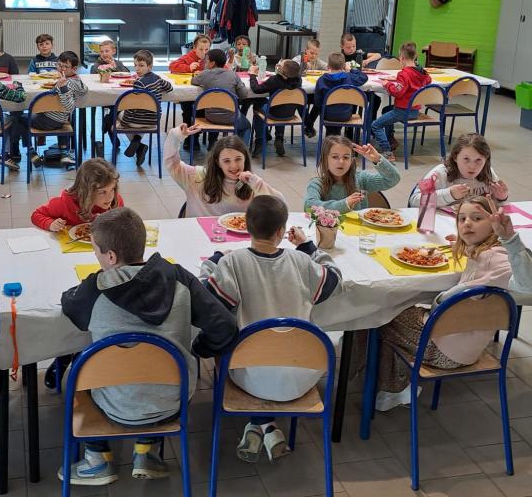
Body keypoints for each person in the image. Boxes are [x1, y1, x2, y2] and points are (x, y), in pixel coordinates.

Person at [58, 207, 238, 485]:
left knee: (75, 371)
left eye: (96, 251)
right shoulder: (179, 278)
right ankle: (147, 451)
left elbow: (69, 304)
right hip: (174, 400)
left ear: (110, 257)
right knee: (162, 364)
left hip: (114, 405)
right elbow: (225, 326)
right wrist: (197, 351)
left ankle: (97, 458)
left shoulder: (96, 288)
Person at [200, 195, 342, 462]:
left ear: (246, 227)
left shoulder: (233, 263)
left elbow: (207, 296)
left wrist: (214, 259)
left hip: (250, 377)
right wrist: (308, 247)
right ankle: (265, 426)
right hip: (303, 375)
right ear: (281, 232)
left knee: (233, 345)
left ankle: (260, 423)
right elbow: (333, 279)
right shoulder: (300, 262)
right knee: (271, 351)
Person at [376, 197, 532, 410]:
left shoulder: (496, 257)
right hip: (469, 349)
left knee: (380, 316)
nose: (467, 223)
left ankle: (391, 389)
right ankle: (384, 382)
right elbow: (486, 261)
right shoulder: (486, 251)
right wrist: (465, 245)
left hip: (443, 352)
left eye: (477, 218)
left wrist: (510, 239)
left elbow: (530, 285)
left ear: (494, 225)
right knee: (396, 314)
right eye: (462, 219)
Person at [164, 125, 285, 217]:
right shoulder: (197, 176)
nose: (233, 166)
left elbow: (280, 205)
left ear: (245, 158)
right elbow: (172, 163)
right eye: (226, 161)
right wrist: (175, 136)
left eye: (238, 159)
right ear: (218, 162)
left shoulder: (252, 182)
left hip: (236, 239)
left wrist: (256, 183)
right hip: (198, 236)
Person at [101, 49, 172, 166]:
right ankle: (138, 142)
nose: (137, 68)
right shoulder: (157, 78)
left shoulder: (139, 83)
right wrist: (160, 83)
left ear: (150, 66)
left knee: (115, 114)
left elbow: (133, 108)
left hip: (137, 121)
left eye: (141, 65)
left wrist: (123, 123)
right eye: (135, 65)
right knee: (138, 119)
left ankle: (137, 144)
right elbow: (169, 88)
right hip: (154, 120)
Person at [407, 133, 509, 208]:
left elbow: (497, 206)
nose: (472, 166)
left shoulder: (488, 172)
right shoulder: (439, 173)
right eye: (466, 159)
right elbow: (414, 200)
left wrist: (501, 197)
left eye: (478, 160)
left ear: (486, 159)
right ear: (455, 157)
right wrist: (449, 194)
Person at [304, 136, 400, 212]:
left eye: (346, 157)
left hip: (359, 229)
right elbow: (309, 206)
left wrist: (377, 159)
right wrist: (344, 204)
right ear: (325, 159)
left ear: (351, 161)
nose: (341, 162)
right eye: (335, 157)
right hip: (330, 230)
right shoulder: (317, 183)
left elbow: (393, 179)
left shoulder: (361, 179)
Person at [369, 42, 430, 160]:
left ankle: (387, 152)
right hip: (414, 110)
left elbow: (397, 92)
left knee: (375, 125)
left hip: (403, 111)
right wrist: (399, 80)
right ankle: (390, 139)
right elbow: (428, 80)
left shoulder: (404, 74)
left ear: (401, 58)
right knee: (386, 109)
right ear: (415, 56)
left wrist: (387, 84)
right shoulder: (421, 71)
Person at [30, 158, 123, 231]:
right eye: (102, 192)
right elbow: (36, 215)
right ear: (87, 191)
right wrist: (50, 224)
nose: (110, 197)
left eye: (112, 189)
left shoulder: (116, 201)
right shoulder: (64, 204)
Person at [29, 51, 86, 168]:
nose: (60, 68)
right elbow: (84, 89)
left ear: (74, 69)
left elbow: (69, 107)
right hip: (61, 120)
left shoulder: (64, 84)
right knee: (57, 113)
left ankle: (31, 153)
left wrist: (62, 87)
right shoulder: (75, 79)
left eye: (65, 66)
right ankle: (64, 153)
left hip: (50, 120)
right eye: (59, 64)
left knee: (18, 120)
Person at [190, 48, 251, 142]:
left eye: (206, 61)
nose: (205, 63)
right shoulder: (233, 75)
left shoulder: (205, 74)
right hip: (231, 118)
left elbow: (193, 81)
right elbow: (243, 95)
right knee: (246, 126)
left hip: (210, 117)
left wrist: (201, 74)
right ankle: (240, 148)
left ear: (212, 63)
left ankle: (212, 143)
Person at [247, 59, 303, 159]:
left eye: (280, 65)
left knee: (258, 105)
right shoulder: (298, 80)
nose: (278, 64)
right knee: (282, 106)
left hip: (273, 114)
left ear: (281, 71)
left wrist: (252, 75)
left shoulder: (274, 80)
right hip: (289, 113)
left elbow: (256, 89)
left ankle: (260, 139)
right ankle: (279, 138)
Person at [306, 52, 366, 138]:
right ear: (344, 66)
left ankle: (326, 135)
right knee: (337, 112)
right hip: (345, 115)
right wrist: (351, 70)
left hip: (327, 115)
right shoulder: (349, 77)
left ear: (328, 66)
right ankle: (334, 137)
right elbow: (364, 77)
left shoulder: (322, 80)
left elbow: (317, 102)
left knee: (321, 106)